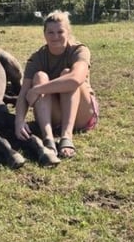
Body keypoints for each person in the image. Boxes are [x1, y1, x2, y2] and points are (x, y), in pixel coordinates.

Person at [14, 10, 99, 159]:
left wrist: (38, 90)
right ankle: (48, 139)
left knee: (67, 74)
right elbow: (24, 92)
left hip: (82, 113)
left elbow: (75, 80)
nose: (55, 37)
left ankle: (67, 136)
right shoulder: (37, 57)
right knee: (39, 76)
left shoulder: (79, 50)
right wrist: (19, 121)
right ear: (44, 34)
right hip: (54, 116)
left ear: (68, 32)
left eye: (60, 32)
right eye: (50, 32)